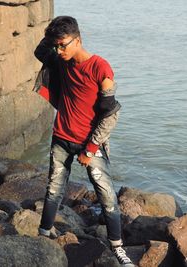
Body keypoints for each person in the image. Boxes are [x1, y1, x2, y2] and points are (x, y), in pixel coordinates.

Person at [34, 16, 135, 267]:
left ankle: (117, 248)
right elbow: (40, 50)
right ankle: (43, 235)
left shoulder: (100, 68)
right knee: (53, 190)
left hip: (90, 144)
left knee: (107, 197)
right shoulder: (60, 60)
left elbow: (111, 114)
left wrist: (90, 149)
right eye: (56, 45)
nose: (59, 50)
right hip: (61, 138)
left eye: (63, 44)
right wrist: (52, 34)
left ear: (78, 40)